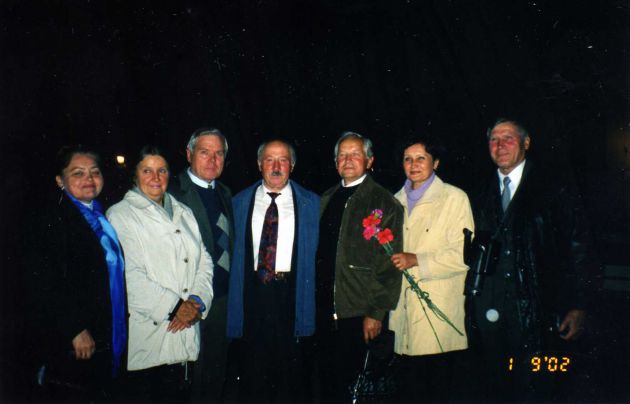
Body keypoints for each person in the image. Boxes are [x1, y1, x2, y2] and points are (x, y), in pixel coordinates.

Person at [465, 118, 599, 401]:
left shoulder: (554, 188)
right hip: (488, 313)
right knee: (494, 386)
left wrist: (578, 305)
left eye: (508, 138)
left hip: (536, 309)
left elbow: (579, 247)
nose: (500, 146)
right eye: (494, 139)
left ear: (526, 143)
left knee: (536, 385)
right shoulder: (476, 191)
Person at [107, 145, 213, 401]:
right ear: (135, 175)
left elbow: (204, 261)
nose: (155, 178)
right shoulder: (120, 215)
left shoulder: (184, 212)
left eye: (162, 170)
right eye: (147, 171)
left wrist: (197, 301)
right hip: (149, 342)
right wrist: (176, 307)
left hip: (185, 336)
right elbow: (129, 278)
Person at [28, 145, 126, 401]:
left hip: (102, 329)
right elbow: (44, 282)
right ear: (60, 180)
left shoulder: (99, 216)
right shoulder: (53, 218)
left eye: (94, 172)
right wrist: (74, 328)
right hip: (76, 339)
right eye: (78, 173)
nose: (89, 179)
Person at [226, 139, 320, 402]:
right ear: (259, 164)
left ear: (292, 165)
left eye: (283, 160)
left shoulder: (312, 203)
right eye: (269, 159)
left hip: (292, 295)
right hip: (253, 295)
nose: (276, 166)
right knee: (253, 377)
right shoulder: (238, 202)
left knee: (293, 380)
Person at [316, 131, 403, 400]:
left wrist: (376, 313)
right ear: (335, 163)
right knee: (326, 385)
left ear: (370, 160)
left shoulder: (384, 202)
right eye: (342, 155)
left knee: (355, 387)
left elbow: (389, 265)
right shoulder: (325, 198)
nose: (348, 160)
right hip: (322, 310)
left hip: (358, 312)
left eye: (355, 154)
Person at [387, 139, 474, 401]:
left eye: (421, 158)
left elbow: (464, 255)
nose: (413, 164)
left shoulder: (454, 198)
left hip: (438, 315)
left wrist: (417, 260)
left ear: (435, 162)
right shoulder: (393, 201)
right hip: (402, 313)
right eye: (407, 159)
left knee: (436, 390)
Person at [168, 127, 234, 402]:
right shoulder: (171, 192)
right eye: (204, 152)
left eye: (219, 154)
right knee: (185, 382)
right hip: (187, 302)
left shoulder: (225, 193)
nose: (212, 160)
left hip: (221, 302)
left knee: (213, 377)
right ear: (189, 154)